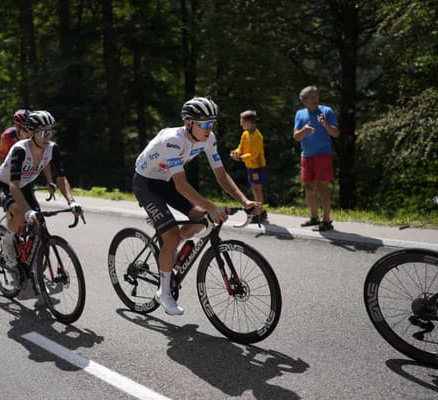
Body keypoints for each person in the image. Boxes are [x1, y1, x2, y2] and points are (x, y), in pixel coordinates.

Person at [134, 96, 262, 315]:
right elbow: (182, 185)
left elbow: (221, 175)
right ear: (188, 123)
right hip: (147, 184)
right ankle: (163, 293)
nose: (208, 128)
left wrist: (244, 200)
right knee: (172, 235)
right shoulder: (172, 140)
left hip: (167, 182)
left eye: (211, 123)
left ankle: (169, 255)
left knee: (201, 219)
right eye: (203, 123)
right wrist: (213, 207)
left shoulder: (208, 138)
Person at [0, 110, 83, 288]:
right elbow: (13, 185)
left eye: (50, 132)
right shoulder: (20, 150)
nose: (47, 137)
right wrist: (27, 211)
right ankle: (8, 243)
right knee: (20, 216)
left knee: (38, 223)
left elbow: (61, 178)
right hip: (6, 185)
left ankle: (32, 261)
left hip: (25, 185)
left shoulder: (52, 148)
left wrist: (71, 201)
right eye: (43, 132)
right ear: (32, 133)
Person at [293, 85, 340, 232]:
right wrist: (305, 130)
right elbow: (296, 136)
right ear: (304, 101)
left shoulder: (327, 111)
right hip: (306, 156)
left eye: (316, 96)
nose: (315, 99)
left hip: (322, 156)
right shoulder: (300, 114)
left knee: (322, 188)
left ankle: (326, 221)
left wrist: (325, 124)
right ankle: (314, 218)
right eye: (311, 97)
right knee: (309, 187)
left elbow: (335, 134)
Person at [230, 110, 268, 223]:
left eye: (242, 121)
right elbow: (240, 148)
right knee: (254, 187)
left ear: (250, 122)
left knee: (257, 189)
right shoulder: (245, 134)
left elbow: (254, 154)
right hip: (250, 165)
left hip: (257, 166)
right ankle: (259, 210)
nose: (241, 124)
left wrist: (241, 158)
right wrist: (235, 153)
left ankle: (259, 212)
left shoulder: (257, 136)